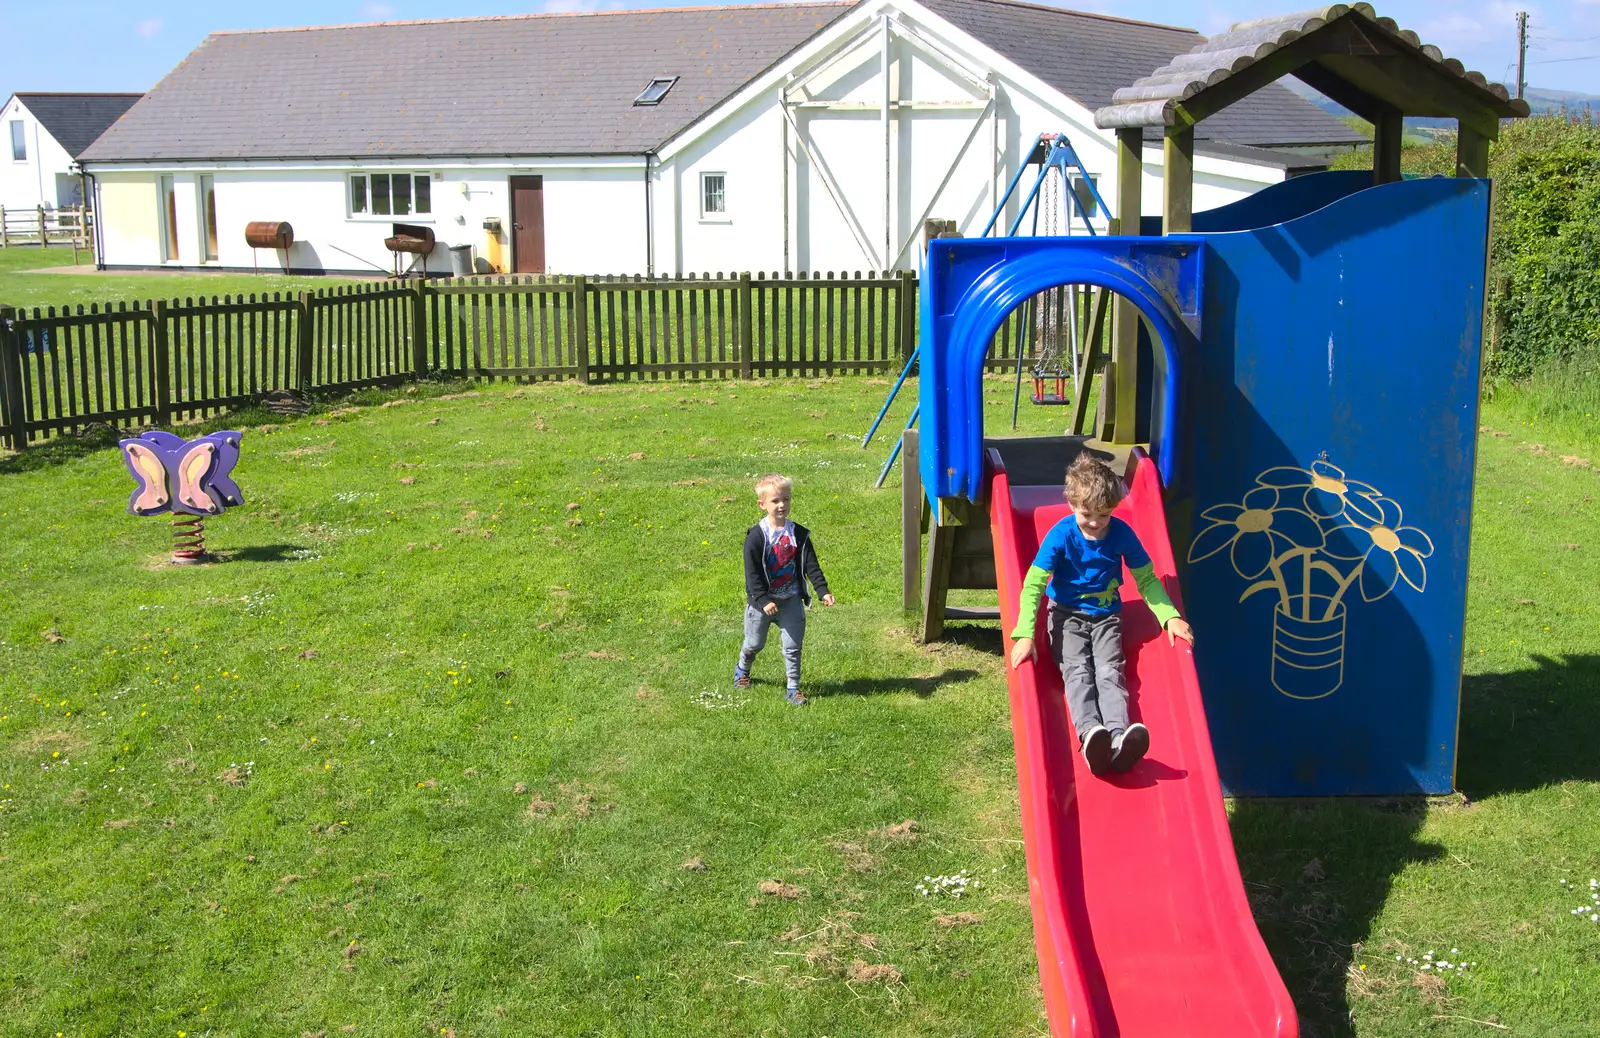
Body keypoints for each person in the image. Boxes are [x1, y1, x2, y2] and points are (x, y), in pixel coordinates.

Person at [1009, 454, 1194, 775]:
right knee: (1078, 672)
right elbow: (1034, 584)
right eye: (1086, 515)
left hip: (1107, 617)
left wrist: (1170, 616)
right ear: (1071, 504)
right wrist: (1025, 633)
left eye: (1104, 515)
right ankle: (1091, 734)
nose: (1095, 523)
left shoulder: (1121, 533)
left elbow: (1147, 578)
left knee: (1110, 672)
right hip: (1066, 617)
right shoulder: (1061, 536)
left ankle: (1119, 737)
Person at [735, 473, 835, 705]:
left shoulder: (798, 534)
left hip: (790, 601)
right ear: (762, 504)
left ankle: (793, 688)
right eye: (775, 501)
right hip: (762, 605)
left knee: (792, 647)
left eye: (786, 499)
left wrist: (823, 591)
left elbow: (812, 565)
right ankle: (742, 669)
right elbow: (752, 574)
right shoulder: (756, 537)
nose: (782, 505)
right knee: (754, 644)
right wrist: (762, 599)